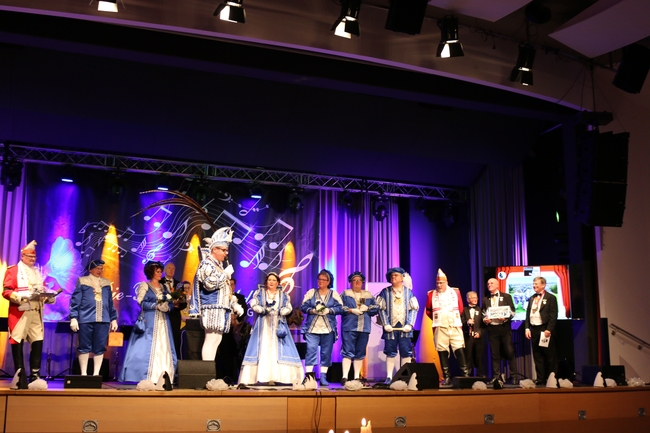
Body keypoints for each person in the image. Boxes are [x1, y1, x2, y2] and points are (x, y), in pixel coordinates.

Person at [3, 241, 57, 389]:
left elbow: (42, 291)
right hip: (20, 312)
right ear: (23, 256)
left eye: (34, 257)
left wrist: (49, 296)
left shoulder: (37, 273)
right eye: (29, 257)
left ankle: (35, 376)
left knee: (37, 341)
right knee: (17, 340)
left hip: (36, 312)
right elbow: (6, 291)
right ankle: (19, 375)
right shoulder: (14, 270)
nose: (32, 259)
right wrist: (21, 297)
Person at [189, 227, 244, 362]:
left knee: (217, 339)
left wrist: (234, 304)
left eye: (226, 250)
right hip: (212, 307)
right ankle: (206, 370)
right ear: (214, 249)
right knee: (211, 339)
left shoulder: (218, 266)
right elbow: (209, 284)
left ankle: (209, 368)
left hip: (221, 307)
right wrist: (224, 274)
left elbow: (225, 290)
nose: (226, 253)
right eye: (223, 250)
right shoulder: (206, 264)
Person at [239, 272, 303, 385]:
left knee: (280, 349)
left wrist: (282, 311)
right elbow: (254, 304)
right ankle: (262, 376)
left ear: (277, 282)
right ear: (266, 282)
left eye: (274, 280)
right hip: (263, 325)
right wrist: (263, 310)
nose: (271, 282)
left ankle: (281, 377)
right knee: (263, 347)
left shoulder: (283, 295)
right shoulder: (260, 293)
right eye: (269, 280)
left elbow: (288, 307)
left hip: (279, 325)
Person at [119, 261, 177, 383]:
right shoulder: (145, 285)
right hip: (150, 320)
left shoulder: (164, 287)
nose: (160, 274)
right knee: (146, 346)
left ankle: (162, 375)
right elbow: (141, 302)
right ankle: (144, 375)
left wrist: (168, 307)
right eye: (158, 272)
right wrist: (156, 306)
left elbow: (171, 303)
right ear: (151, 273)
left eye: (161, 271)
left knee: (164, 346)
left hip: (163, 321)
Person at [69, 259, 118, 376]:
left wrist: (113, 318)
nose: (99, 271)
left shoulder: (106, 283)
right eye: (97, 268)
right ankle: (84, 374)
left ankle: (96, 374)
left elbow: (110, 303)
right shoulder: (83, 281)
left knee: (100, 347)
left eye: (101, 268)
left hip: (103, 319)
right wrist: (73, 317)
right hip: (86, 318)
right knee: (84, 346)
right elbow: (75, 301)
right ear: (90, 269)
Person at [425, 268, 469, 386]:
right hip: (440, 326)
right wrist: (439, 319)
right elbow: (428, 310)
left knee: (459, 348)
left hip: (454, 325)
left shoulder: (455, 292)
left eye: (441, 283)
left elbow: (460, 308)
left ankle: (465, 374)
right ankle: (447, 376)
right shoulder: (431, 294)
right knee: (442, 351)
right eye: (437, 283)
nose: (439, 285)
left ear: (446, 282)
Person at [300, 269, 343, 386]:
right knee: (310, 350)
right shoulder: (311, 292)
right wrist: (312, 311)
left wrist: (329, 310)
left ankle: (323, 376)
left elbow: (340, 308)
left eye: (324, 279)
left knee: (326, 352)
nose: (321, 281)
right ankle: (309, 377)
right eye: (319, 279)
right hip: (312, 328)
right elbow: (303, 306)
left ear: (329, 281)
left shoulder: (334, 294)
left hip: (328, 328)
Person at [376, 267, 419, 384]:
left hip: (405, 329)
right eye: (392, 276)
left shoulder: (409, 292)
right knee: (390, 351)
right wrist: (385, 323)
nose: (393, 277)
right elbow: (381, 309)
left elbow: (414, 309)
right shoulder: (385, 292)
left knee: (406, 351)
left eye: (396, 275)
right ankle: (389, 377)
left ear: (402, 278)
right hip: (390, 328)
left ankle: (405, 376)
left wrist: (410, 324)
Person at [339, 271, 379, 384]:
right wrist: (351, 310)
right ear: (350, 282)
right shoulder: (345, 294)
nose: (357, 282)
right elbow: (338, 307)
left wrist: (368, 308)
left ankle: (357, 377)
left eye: (359, 280)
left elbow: (377, 307)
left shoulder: (368, 295)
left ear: (362, 282)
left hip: (364, 328)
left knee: (360, 352)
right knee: (347, 351)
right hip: (349, 327)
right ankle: (345, 377)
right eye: (354, 280)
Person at [482, 278, 520, 385]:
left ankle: (514, 376)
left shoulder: (506, 296)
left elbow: (513, 312)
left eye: (491, 283)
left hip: (504, 328)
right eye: (488, 283)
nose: (489, 285)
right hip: (492, 329)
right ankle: (496, 377)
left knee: (509, 352)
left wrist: (506, 318)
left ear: (497, 285)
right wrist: (485, 319)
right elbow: (483, 313)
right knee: (494, 354)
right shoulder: (485, 299)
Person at [525, 276, 558, 385]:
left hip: (545, 329)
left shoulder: (550, 298)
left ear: (543, 285)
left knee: (548, 355)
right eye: (533, 284)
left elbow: (553, 315)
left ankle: (551, 378)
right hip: (534, 329)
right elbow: (528, 314)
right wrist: (527, 328)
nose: (534, 286)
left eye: (536, 284)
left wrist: (549, 329)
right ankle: (540, 379)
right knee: (537, 355)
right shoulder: (531, 298)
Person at [215, 278, 251, 381]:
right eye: (228, 284)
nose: (230, 286)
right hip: (221, 327)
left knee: (232, 353)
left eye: (232, 284)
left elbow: (244, 312)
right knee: (220, 352)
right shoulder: (220, 297)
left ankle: (231, 376)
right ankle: (219, 375)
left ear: (234, 286)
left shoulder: (240, 297)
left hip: (235, 329)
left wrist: (236, 321)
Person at [162, 261, 185, 360]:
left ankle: (174, 361)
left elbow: (184, 302)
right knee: (163, 338)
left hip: (175, 316)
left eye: (173, 269)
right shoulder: (159, 282)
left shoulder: (179, 284)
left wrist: (178, 304)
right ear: (165, 270)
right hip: (163, 315)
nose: (171, 270)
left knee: (175, 339)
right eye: (169, 268)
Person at [461, 290, 485, 377]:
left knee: (479, 356)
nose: (475, 299)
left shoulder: (480, 310)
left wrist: (480, 333)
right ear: (468, 299)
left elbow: (484, 325)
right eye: (473, 298)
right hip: (468, 337)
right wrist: (467, 322)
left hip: (478, 337)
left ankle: (480, 375)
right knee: (468, 356)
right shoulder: (464, 310)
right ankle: (467, 375)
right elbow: (460, 322)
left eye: (476, 298)